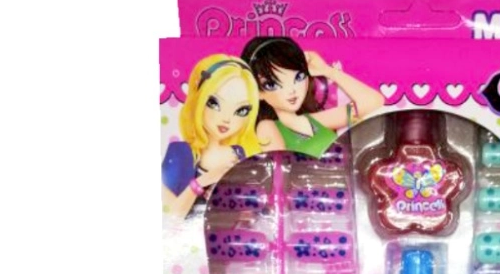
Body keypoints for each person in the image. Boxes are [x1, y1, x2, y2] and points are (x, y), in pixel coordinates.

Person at [241, 36, 384, 158]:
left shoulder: (316, 121)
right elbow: (279, 170)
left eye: (299, 77)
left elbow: (373, 103)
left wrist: (328, 71)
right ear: (257, 92)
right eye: (271, 84)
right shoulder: (267, 127)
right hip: (309, 183)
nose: (292, 90)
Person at [161, 55, 262, 218]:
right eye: (214, 103)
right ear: (199, 98)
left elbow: (251, 210)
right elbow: (170, 215)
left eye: (241, 110)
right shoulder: (180, 153)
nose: (227, 119)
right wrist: (202, 182)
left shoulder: (239, 153)